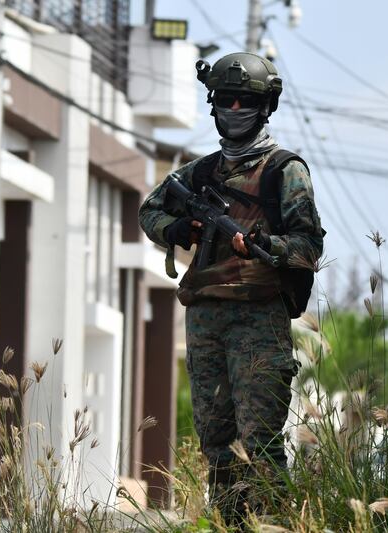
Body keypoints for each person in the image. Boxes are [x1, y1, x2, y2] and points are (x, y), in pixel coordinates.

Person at [138, 52, 324, 521]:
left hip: (258, 317)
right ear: (213, 104)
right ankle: (227, 526)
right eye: (226, 99)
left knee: (259, 443)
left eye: (246, 100)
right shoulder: (199, 174)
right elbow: (150, 211)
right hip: (205, 318)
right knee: (217, 445)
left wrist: (266, 245)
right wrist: (178, 231)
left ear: (266, 106)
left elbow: (308, 245)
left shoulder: (286, 170)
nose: (236, 109)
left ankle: (275, 527)